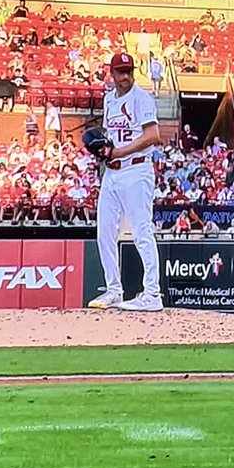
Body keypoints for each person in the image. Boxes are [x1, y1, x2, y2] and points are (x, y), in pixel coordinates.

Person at [88, 53, 163, 312]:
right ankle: (114, 290)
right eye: (120, 72)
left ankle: (152, 293)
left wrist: (119, 152)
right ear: (112, 73)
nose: (125, 77)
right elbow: (111, 134)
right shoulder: (109, 98)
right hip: (112, 173)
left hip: (136, 170)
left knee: (142, 232)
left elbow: (153, 135)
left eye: (128, 71)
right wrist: (105, 150)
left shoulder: (141, 98)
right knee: (105, 233)